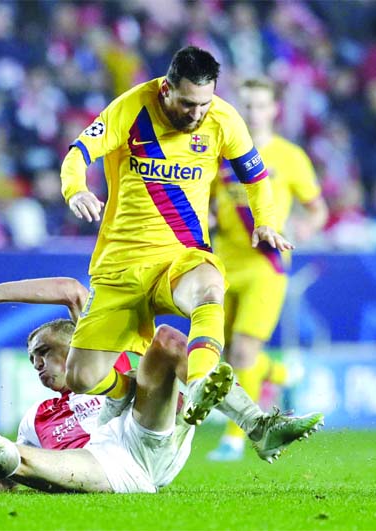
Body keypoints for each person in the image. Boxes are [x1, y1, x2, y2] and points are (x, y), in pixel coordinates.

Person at [0, 278, 324, 494]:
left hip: (145, 431)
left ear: (72, 339)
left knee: (169, 343)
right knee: (9, 452)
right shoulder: (38, 417)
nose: (38, 366)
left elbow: (69, 289)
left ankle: (246, 419)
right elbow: (8, 480)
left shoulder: (103, 350)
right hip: (102, 463)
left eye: (44, 352)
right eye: (31, 362)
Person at [59, 46, 292, 426]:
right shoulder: (132, 107)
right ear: (166, 89)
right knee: (81, 377)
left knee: (209, 289)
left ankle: (200, 382)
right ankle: (141, 390)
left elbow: (256, 178)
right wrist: (77, 190)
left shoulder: (224, 118)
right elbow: (78, 153)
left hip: (181, 258)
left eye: (204, 103)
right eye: (187, 104)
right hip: (122, 266)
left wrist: (266, 220)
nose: (197, 114)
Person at [209, 78, 328, 461]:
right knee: (223, 358)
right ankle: (279, 374)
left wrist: (305, 228)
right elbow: (205, 203)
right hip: (223, 263)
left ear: (274, 109)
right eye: (247, 104)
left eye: (260, 105)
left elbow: (318, 208)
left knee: (243, 353)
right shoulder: (220, 155)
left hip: (266, 266)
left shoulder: (290, 157)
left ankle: (234, 437)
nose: (253, 112)